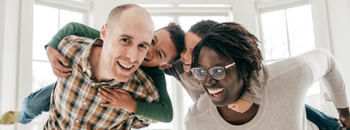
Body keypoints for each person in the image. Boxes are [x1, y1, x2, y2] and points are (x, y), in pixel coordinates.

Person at [0, 9, 185, 127]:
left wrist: (130, 105)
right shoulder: (107, 40)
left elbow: (166, 113)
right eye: (151, 41)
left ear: (165, 65)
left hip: (106, 102)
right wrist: (50, 49)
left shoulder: (154, 78)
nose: (141, 53)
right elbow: (74, 28)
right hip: (75, 83)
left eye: (158, 54)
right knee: (31, 105)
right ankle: (20, 117)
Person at [167, 20, 344, 130]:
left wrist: (344, 112)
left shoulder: (289, 75)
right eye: (200, 71)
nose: (208, 80)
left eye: (218, 70)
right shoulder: (196, 120)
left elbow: (327, 59)